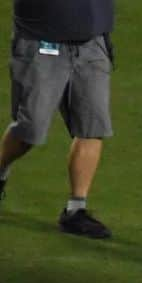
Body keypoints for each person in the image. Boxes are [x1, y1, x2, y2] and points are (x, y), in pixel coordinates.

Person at [2, 0, 115, 237]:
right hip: (41, 40)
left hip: (92, 42)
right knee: (30, 129)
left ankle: (76, 210)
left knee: (92, 128)